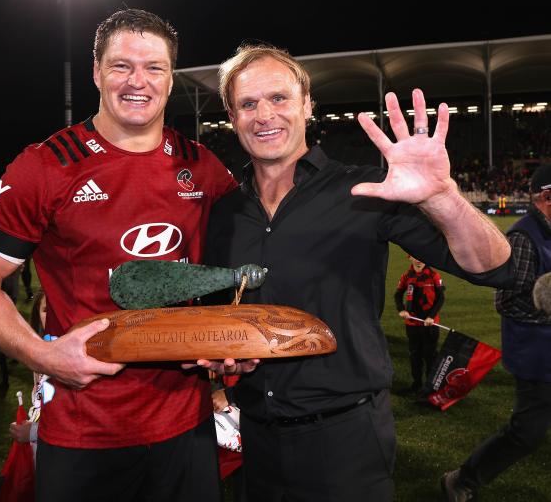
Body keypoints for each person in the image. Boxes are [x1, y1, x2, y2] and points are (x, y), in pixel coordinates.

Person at [198, 44, 513, 501]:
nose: (265, 114)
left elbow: (493, 267)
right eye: (248, 104)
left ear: (307, 105)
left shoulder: (365, 189)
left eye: (279, 98)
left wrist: (442, 195)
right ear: (232, 115)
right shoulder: (223, 212)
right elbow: (216, 318)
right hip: (257, 442)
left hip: (346, 438)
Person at [0, 8, 236, 502]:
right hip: (86, 429)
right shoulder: (46, 166)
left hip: (187, 424)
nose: (138, 81)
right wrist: (42, 354)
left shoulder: (202, 166)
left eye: (154, 67)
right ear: (97, 72)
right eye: (121, 65)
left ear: (171, 77)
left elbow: (239, 266)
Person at [441, 163, 551, 501]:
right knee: (526, 434)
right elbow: (506, 302)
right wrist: (546, 310)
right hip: (538, 358)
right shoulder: (524, 237)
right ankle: (463, 479)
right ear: (545, 197)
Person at [394, 255, 445, 393]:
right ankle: (416, 384)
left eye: (422, 257)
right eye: (415, 257)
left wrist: (431, 317)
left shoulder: (434, 275)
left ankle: (430, 387)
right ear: (409, 257)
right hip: (412, 324)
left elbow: (441, 298)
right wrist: (402, 309)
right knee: (415, 355)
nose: (419, 259)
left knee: (430, 355)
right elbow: (398, 295)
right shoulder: (406, 276)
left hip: (430, 324)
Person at [9, 291, 47, 457]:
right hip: (41, 448)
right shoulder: (40, 352)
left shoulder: (76, 361)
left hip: (60, 453)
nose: (52, 316)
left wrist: (33, 432)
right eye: (46, 310)